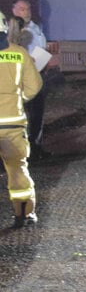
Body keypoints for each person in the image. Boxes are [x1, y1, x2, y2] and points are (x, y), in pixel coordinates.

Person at [0, 16, 42, 227]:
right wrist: (19, 99)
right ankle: (24, 213)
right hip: (12, 123)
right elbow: (33, 86)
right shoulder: (19, 53)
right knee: (17, 170)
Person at [12, 0, 50, 159]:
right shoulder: (12, 31)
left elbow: (42, 47)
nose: (26, 12)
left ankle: (35, 146)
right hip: (20, 77)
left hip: (37, 75)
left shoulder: (36, 28)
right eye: (22, 9)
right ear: (14, 11)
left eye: (28, 9)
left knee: (37, 113)